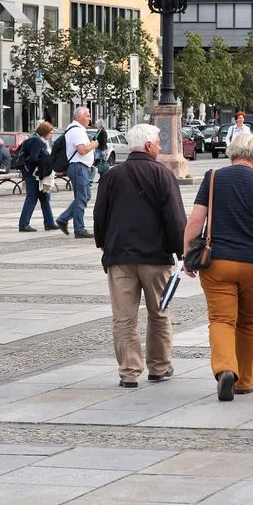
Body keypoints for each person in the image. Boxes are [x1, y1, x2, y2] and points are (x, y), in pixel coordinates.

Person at [183, 133, 253, 401]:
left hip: (218, 262)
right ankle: (244, 381)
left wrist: (187, 253)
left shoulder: (213, 178)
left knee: (221, 320)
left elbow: (196, 221)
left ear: (232, 153)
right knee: (249, 321)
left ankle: (225, 369)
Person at [94, 124, 188, 388]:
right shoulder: (162, 174)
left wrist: (103, 243)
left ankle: (129, 372)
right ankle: (158, 367)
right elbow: (175, 217)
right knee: (159, 313)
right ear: (148, 146)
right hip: (155, 257)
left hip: (120, 256)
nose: (159, 147)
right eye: (158, 143)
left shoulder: (112, 175)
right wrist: (181, 252)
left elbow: (99, 214)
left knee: (124, 317)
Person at [55, 107, 99, 239]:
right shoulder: (77, 131)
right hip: (78, 167)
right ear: (79, 117)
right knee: (81, 198)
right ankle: (79, 229)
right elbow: (81, 150)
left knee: (85, 196)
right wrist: (93, 145)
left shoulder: (76, 130)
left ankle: (63, 218)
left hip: (80, 166)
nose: (89, 118)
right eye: (87, 115)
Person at [19, 122, 57, 232]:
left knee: (45, 197)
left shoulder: (39, 140)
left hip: (37, 174)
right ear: (44, 132)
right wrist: (44, 163)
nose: (51, 135)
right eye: (50, 133)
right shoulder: (37, 141)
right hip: (33, 174)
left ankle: (49, 223)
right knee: (32, 197)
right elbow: (33, 158)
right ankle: (23, 224)